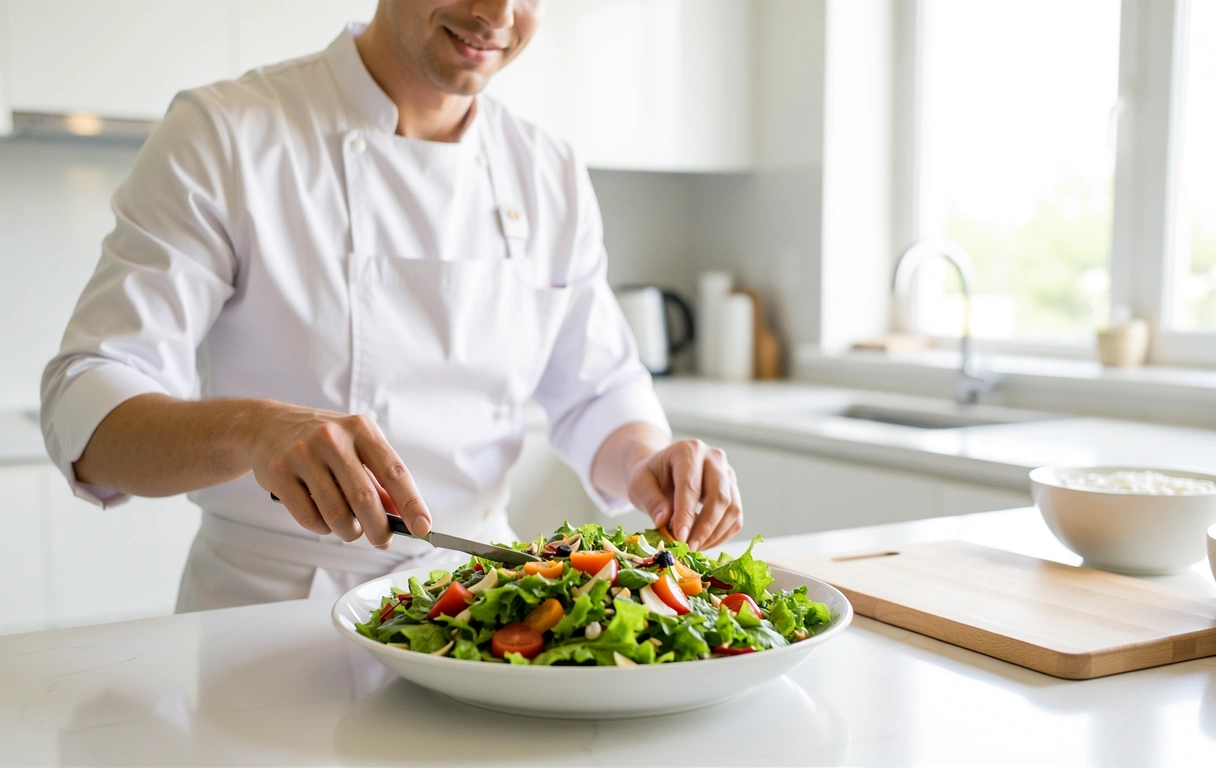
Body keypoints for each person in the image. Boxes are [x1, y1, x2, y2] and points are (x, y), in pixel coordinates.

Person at [40, 0, 742, 612]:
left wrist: (649, 462)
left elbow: (598, 391)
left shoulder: (547, 170)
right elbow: (86, 410)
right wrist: (255, 431)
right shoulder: (228, 132)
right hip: (263, 616)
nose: (496, 14)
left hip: (484, 607)